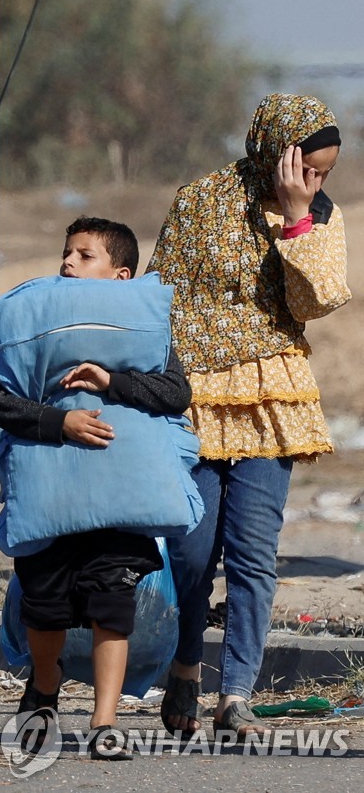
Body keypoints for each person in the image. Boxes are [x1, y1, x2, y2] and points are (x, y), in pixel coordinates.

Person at [148, 94, 351, 739]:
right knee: (191, 549)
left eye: (324, 174)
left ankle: (236, 693)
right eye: (306, 168)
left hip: (273, 399)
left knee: (253, 553)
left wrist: (296, 218)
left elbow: (317, 301)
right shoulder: (199, 201)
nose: (314, 182)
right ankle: (185, 663)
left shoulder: (319, 216)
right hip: (195, 394)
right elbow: (162, 290)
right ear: (275, 149)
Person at [0, 217, 193, 760]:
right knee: (46, 604)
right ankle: (45, 685)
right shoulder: (40, 332)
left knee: (112, 604)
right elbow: (3, 404)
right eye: (66, 253)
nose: (68, 264)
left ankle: (105, 722)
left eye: (85, 255)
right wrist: (62, 425)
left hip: (119, 503)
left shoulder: (146, 335)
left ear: (122, 276)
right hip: (50, 497)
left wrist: (112, 382)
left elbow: (175, 393)